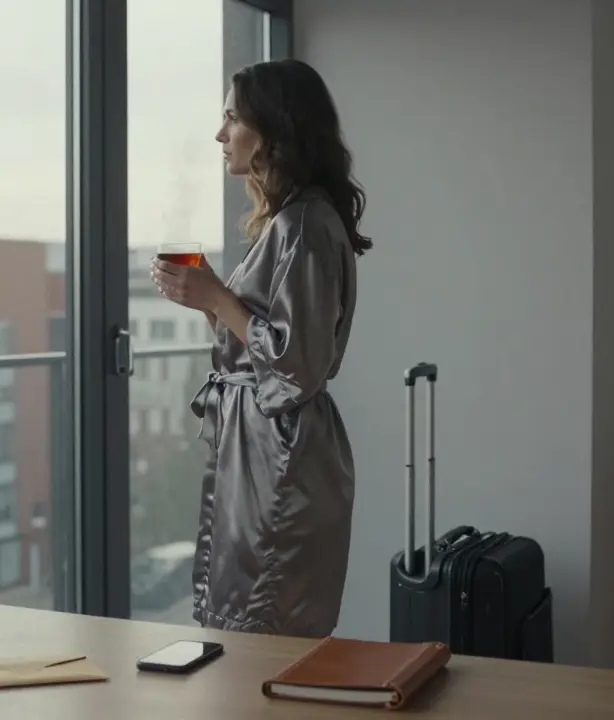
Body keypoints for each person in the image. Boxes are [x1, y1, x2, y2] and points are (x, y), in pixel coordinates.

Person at [150, 58, 368, 638]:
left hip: (280, 456)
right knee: (246, 620)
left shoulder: (304, 226)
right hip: (261, 449)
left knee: (262, 628)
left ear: (273, 129)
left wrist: (220, 298)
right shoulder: (288, 222)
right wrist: (208, 303)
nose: (220, 135)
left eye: (231, 119)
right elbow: (262, 344)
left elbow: (298, 365)